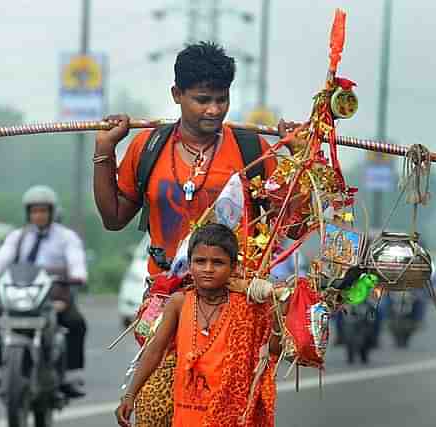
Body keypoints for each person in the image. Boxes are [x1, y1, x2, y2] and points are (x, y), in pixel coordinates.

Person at [93, 41, 289, 425]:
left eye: (222, 99)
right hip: (164, 301)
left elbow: (290, 221)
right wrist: (104, 151)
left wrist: (296, 155)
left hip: (231, 306)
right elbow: (114, 217)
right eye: (202, 99)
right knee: (156, 411)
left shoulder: (252, 150)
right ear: (177, 95)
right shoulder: (147, 147)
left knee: (222, 413)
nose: (214, 110)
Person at [115, 223, 279, 427]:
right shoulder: (179, 302)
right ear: (190, 265)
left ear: (233, 267)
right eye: (200, 261)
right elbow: (155, 350)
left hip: (229, 417)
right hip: (186, 417)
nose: (208, 269)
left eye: (218, 262)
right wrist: (130, 395)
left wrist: (277, 298)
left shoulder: (247, 307)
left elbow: (273, 349)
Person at [0, 185, 88, 398]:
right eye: (34, 211)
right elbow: (2, 259)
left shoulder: (66, 237)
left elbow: (76, 260)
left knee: (76, 323)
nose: (38, 215)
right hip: (20, 294)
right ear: (28, 213)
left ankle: (70, 377)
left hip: (53, 295)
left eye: (43, 211)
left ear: (52, 212)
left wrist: (78, 275)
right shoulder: (17, 237)